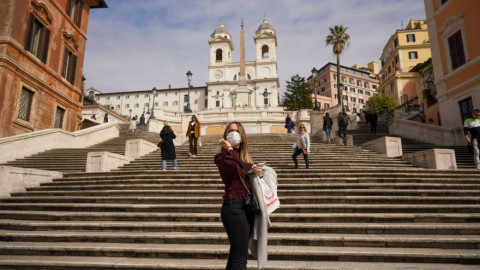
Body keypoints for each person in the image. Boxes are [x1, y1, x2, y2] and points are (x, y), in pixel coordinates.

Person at [214, 121, 263, 269]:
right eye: (230, 131)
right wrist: (228, 148)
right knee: (240, 257)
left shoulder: (246, 160)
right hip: (233, 207)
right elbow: (237, 169)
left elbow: (243, 168)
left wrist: (256, 168)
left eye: (236, 131)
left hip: (246, 207)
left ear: (242, 136)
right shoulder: (221, 158)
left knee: (237, 253)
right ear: (225, 136)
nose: (233, 134)